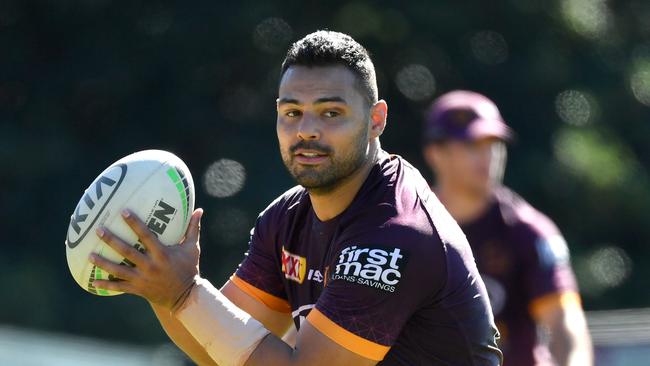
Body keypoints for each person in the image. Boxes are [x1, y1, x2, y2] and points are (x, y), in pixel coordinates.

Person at [88, 32, 503, 366]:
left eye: (330, 113)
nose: (306, 130)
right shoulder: (287, 217)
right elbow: (219, 351)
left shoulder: (395, 235)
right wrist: (163, 288)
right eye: (292, 113)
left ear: (376, 119)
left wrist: (183, 293)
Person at [421, 90, 593, 366]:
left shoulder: (528, 231)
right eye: (472, 145)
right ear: (435, 154)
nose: (489, 156)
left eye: (494, 144)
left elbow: (565, 326)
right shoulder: (408, 229)